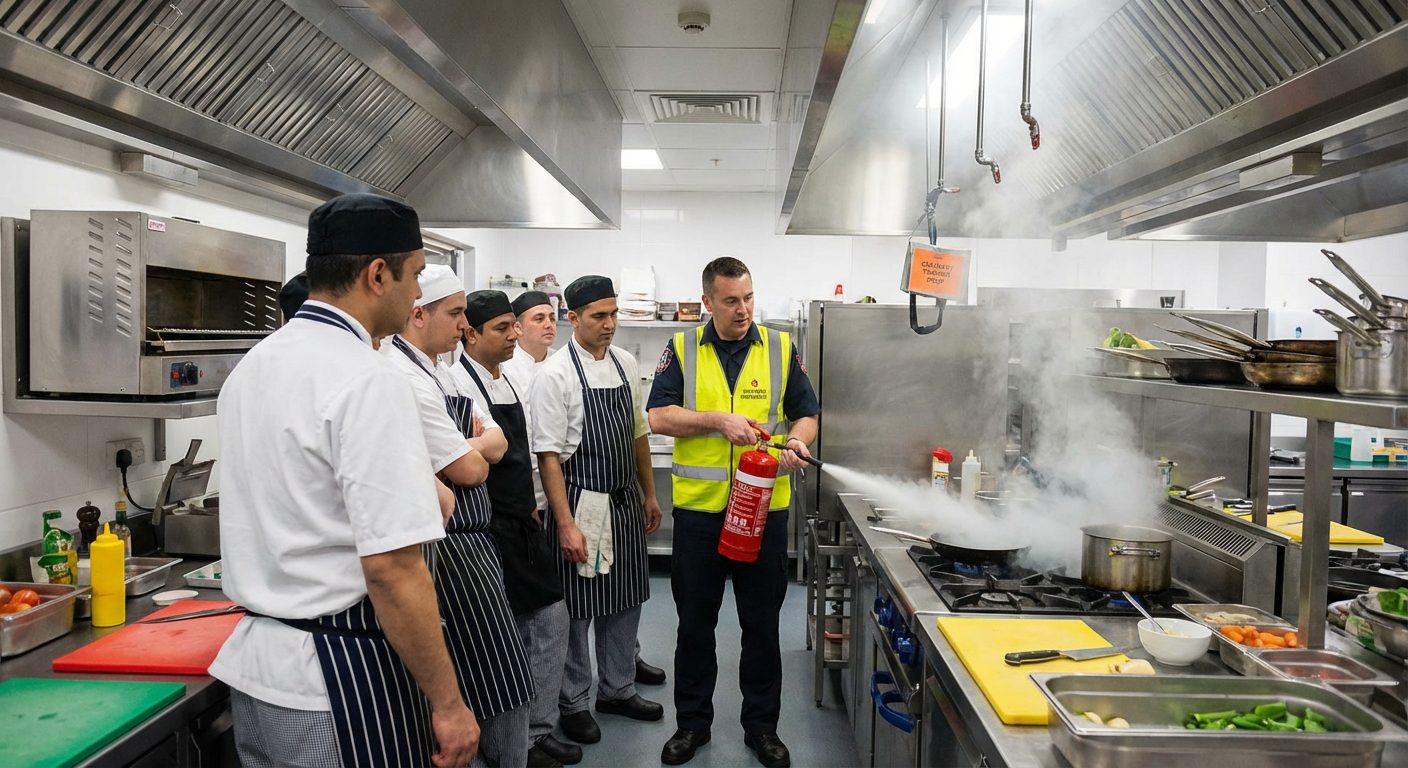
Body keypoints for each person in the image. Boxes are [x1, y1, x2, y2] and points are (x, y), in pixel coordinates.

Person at [212, 192, 477, 768]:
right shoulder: (369, 379)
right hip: (336, 681)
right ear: (378, 275)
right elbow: (393, 569)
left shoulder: (253, 366)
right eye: (414, 276)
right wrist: (449, 703)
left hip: (257, 675)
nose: (417, 295)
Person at [646, 256, 820, 768]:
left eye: (748, 298)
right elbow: (658, 416)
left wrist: (798, 442)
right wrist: (717, 421)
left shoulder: (781, 348)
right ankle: (692, 725)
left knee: (761, 626)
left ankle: (762, 728)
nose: (742, 309)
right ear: (708, 302)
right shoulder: (682, 348)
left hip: (764, 513)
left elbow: (807, 414)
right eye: (730, 301)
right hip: (700, 517)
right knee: (694, 625)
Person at [383, 266, 536, 768]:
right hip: (450, 547)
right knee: (496, 676)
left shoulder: (441, 371)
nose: (463, 324)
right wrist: (472, 450)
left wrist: (470, 449)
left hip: (478, 536)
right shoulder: (403, 376)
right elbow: (472, 468)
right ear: (418, 314)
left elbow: (497, 440)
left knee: (500, 676)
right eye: (455, 313)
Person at [505, 291, 669, 691]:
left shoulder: (625, 363)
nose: (610, 324)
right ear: (575, 318)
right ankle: (575, 698)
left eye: (613, 314)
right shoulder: (555, 374)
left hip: (624, 499)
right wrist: (565, 525)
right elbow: (548, 457)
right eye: (598, 316)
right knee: (578, 607)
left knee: (628, 598)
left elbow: (638, 434)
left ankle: (619, 688)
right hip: (581, 503)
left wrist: (648, 494)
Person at [451, 290, 579, 768]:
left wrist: (534, 507)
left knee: (548, 621)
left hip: (522, 519)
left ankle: (535, 730)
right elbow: (474, 457)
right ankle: (517, 740)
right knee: (508, 639)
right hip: (486, 528)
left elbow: (520, 451)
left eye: (513, 325)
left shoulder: (509, 378)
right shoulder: (458, 384)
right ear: (471, 334)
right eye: (502, 328)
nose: (514, 334)